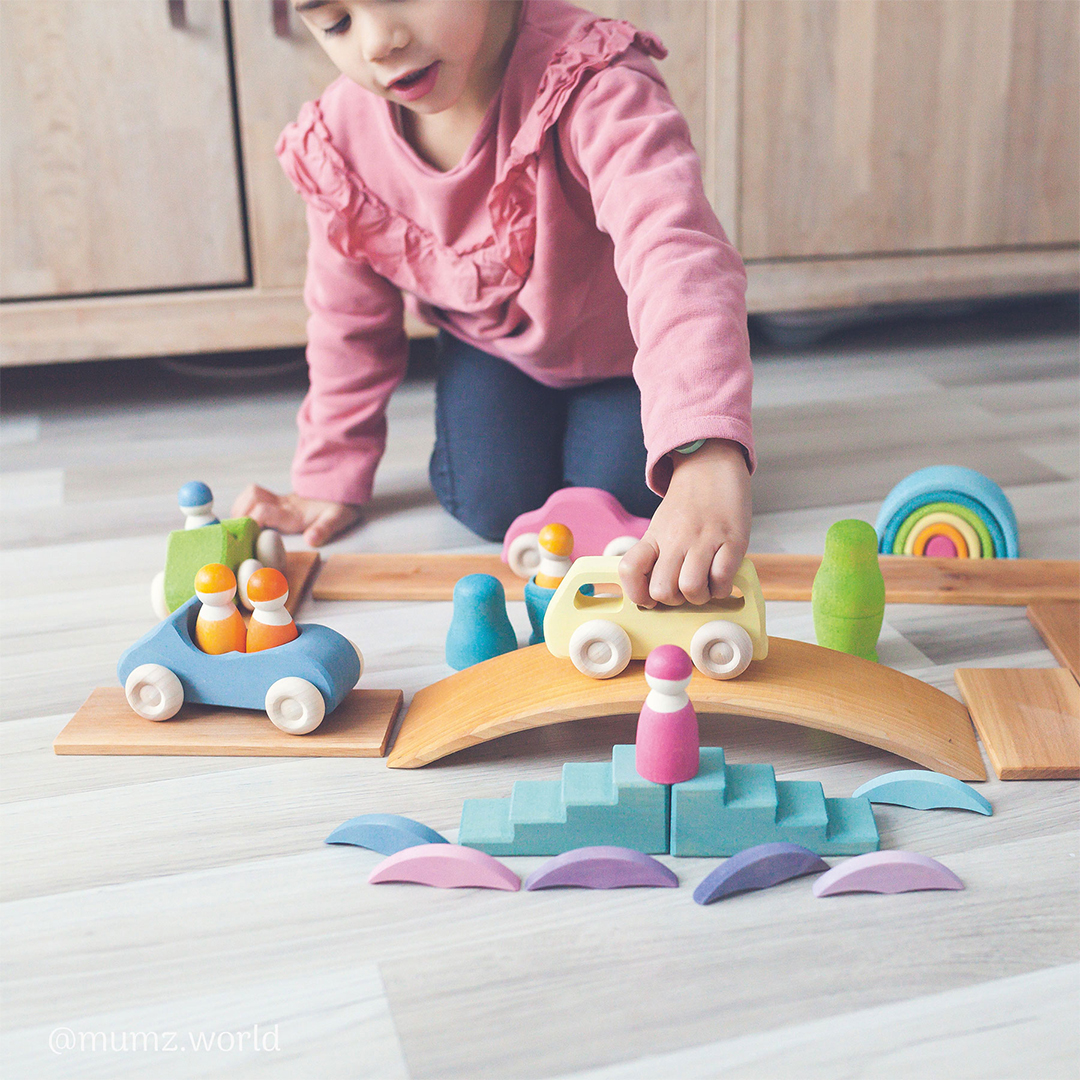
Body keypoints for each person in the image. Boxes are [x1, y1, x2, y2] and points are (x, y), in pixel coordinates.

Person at [234, 0, 754, 608]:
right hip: (497, 348)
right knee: (490, 501)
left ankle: (697, 409)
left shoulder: (595, 81)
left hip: (626, 354)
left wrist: (705, 450)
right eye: (336, 23)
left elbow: (674, 252)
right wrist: (329, 477)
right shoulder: (341, 139)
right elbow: (348, 322)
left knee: (629, 497)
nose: (377, 43)